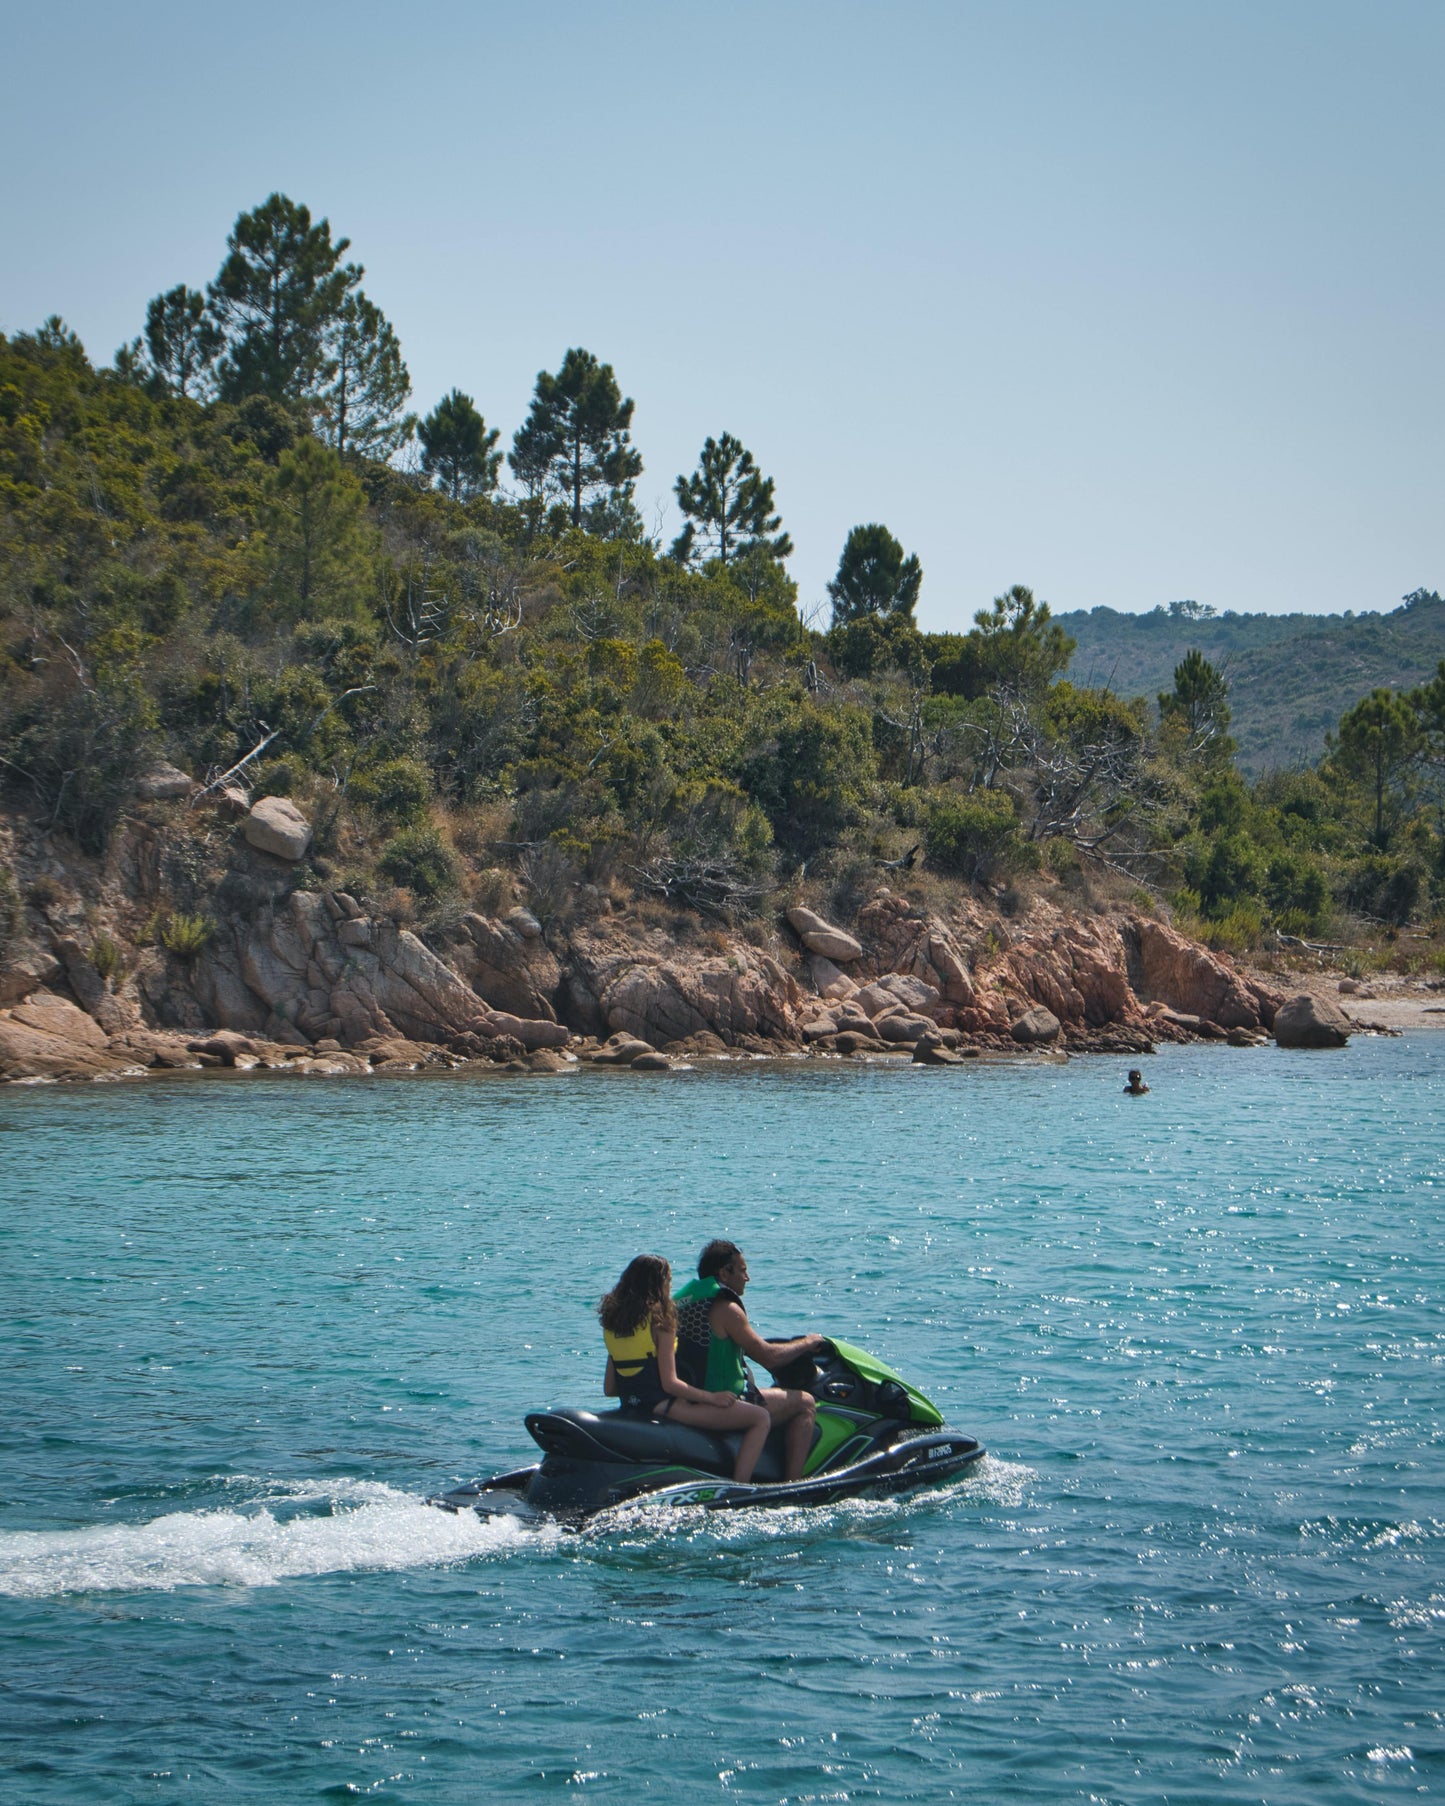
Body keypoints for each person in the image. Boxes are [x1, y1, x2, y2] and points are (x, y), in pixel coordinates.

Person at [598, 1254, 771, 1483]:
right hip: (664, 1407)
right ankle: (740, 1486)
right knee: (760, 1417)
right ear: (658, 1284)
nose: (670, 1287)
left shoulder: (614, 1325)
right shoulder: (661, 1321)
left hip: (631, 1406)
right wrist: (712, 1398)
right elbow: (670, 1383)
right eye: (668, 1280)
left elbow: (610, 1388)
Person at [674, 1240, 828, 1483]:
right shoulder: (726, 1308)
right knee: (805, 1402)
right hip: (720, 1400)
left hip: (687, 1399)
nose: (748, 1278)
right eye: (743, 1270)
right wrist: (808, 1343)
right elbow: (767, 1355)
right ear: (725, 1272)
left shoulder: (683, 1302)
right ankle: (792, 1486)